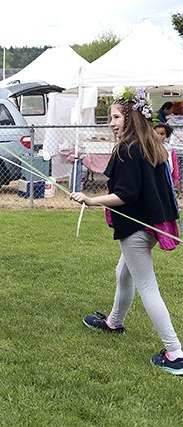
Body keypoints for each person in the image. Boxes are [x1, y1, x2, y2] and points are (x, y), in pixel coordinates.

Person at [70, 86, 183, 376]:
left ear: (131, 118)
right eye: (111, 117)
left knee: (147, 286)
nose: (111, 122)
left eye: (117, 116)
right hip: (148, 225)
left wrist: (91, 199)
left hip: (137, 227)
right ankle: (114, 322)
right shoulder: (150, 145)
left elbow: (126, 194)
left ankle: (175, 353)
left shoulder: (128, 149)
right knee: (123, 272)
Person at [154, 122, 179, 187]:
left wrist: (175, 179)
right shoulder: (151, 147)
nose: (159, 136)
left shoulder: (169, 148)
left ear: (166, 135)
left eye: (162, 134)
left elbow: (174, 164)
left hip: (168, 176)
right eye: (156, 134)